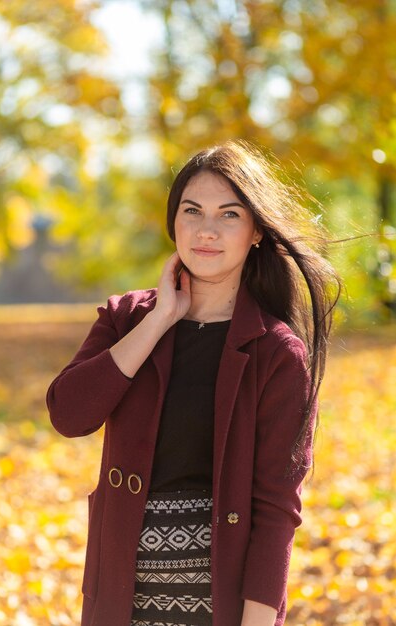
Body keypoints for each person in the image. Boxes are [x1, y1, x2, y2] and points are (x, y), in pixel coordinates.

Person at [46, 140, 340, 626]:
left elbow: (276, 509)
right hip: (118, 594)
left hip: (217, 605)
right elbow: (68, 414)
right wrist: (161, 318)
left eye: (229, 215)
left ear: (257, 232)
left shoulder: (276, 353)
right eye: (192, 211)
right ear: (174, 222)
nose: (207, 230)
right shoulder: (127, 319)